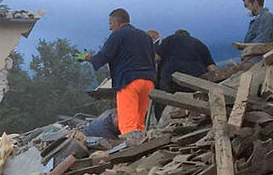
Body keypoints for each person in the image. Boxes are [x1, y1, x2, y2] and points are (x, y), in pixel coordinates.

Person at [77, 8, 156, 141]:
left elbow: (103, 57)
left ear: (117, 22)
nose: (110, 28)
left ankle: (130, 150)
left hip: (129, 81)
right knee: (140, 121)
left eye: (110, 24)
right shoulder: (145, 36)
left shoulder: (118, 34)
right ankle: (142, 145)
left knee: (128, 122)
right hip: (148, 81)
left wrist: (88, 57)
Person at [153, 29, 218, 119]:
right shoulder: (199, 43)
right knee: (193, 104)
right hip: (195, 79)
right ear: (189, 36)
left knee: (164, 102)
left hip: (171, 77)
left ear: (175, 34)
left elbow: (157, 58)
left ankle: (163, 126)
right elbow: (211, 67)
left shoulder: (169, 39)